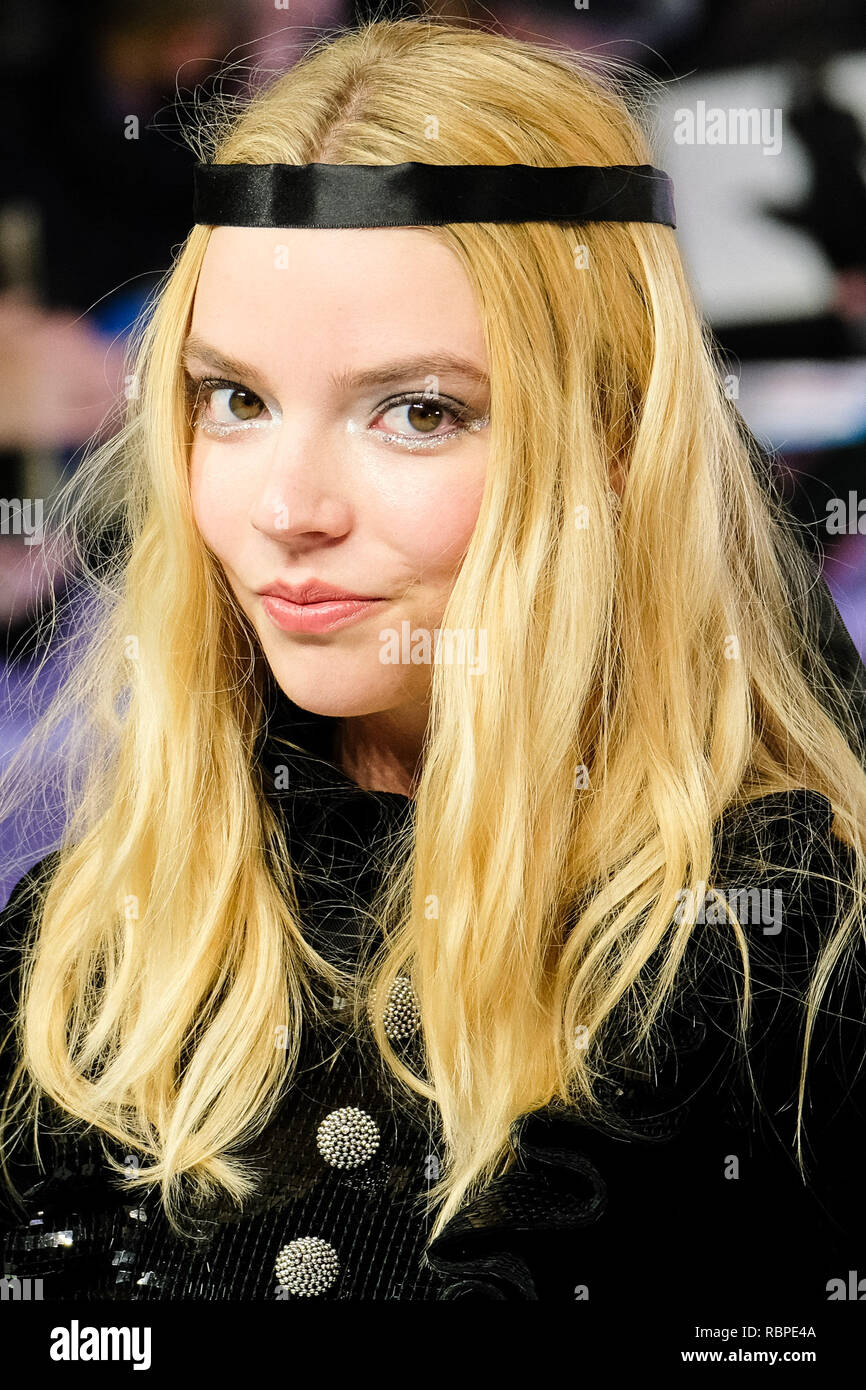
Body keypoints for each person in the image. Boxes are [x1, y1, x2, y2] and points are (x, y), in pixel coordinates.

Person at [1, 17, 866, 1309]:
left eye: (416, 411)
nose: (286, 505)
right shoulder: (80, 942)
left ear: (615, 441)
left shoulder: (785, 966)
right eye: (233, 398)